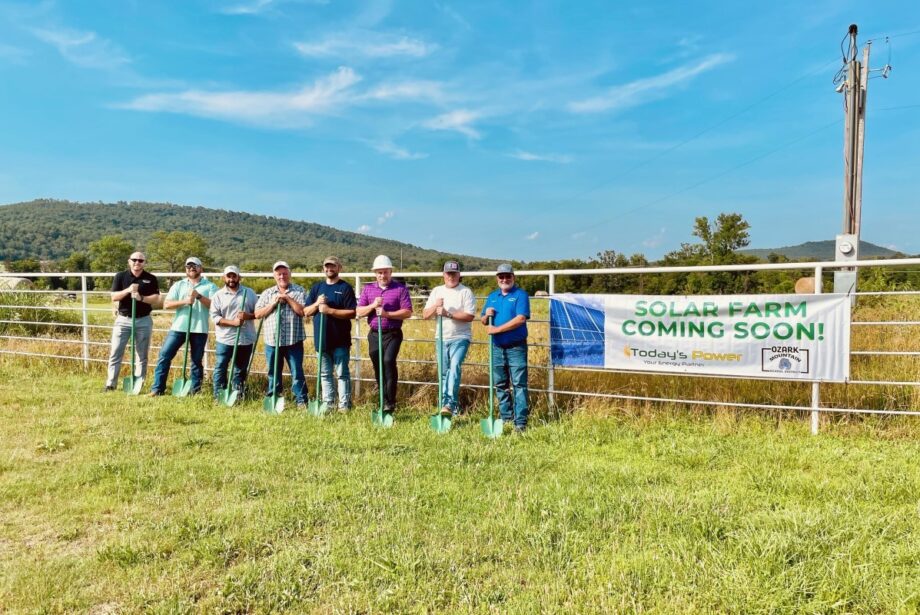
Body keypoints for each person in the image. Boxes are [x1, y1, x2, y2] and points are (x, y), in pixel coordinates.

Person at [149, 257, 217, 396]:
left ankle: (195, 391)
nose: (191, 268)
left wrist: (198, 296)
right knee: (164, 355)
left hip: (199, 328)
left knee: (196, 361)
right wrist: (185, 301)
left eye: (195, 266)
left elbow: (215, 306)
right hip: (179, 327)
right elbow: (166, 304)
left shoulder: (210, 286)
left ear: (201, 269)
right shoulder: (178, 285)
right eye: (188, 266)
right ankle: (157, 389)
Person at [355, 255, 412, 414]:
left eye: (385, 272)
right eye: (379, 272)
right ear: (375, 273)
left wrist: (387, 314)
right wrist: (373, 305)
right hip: (374, 333)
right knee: (378, 365)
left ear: (390, 272)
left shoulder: (400, 289)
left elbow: (407, 312)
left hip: (393, 333)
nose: (382, 275)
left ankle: (391, 401)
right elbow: (359, 311)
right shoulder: (368, 289)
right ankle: (384, 400)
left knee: (388, 361)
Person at [481, 263, 531, 432]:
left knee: (519, 384)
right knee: (500, 384)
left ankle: (520, 422)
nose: (504, 279)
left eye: (507, 276)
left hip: (516, 347)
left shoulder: (520, 295)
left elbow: (520, 319)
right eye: (501, 276)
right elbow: (482, 320)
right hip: (496, 347)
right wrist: (486, 316)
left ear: (513, 277)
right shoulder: (492, 296)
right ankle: (506, 418)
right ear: (497, 279)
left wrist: (497, 329)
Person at [423, 260, 476, 417]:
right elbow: (425, 315)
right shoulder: (437, 291)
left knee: (454, 368)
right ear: (443, 275)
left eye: (454, 273)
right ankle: (448, 405)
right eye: (448, 273)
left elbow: (469, 316)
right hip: (441, 337)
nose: (451, 276)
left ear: (459, 275)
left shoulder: (466, 292)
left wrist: (448, 313)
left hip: (460, 337)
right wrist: (435, 306)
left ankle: (449, 404)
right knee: (444, 372)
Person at [304, 256, 357, 411]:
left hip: (340, 340)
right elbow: (306, 311)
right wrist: (317, 303)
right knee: (325, 374)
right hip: (321, 341)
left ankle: (344, 405)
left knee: (342, 374)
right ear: (323, 269)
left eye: (332, 266)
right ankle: (328, 404)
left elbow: (351, 313)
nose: (329, 269)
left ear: (339, 267)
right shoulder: (316, 288)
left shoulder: (345, 288)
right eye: (327, 266)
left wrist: (329, 310)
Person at [254, 261, 308, 407]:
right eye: (279, 274)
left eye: (284, 273)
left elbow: (303, 312)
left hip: (293, 340)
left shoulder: (299, 291)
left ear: (289, 274)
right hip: (272, 341)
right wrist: (272, 303)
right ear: (274, 275)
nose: (282, 276)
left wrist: (288, 299)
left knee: (297, 372)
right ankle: (273, 398)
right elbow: (258, 314)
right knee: (273, 372)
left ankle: (301, 400)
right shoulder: (267, 293)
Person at [104, 251, 160, 391]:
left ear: (144, 263)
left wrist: (141, 298)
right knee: (116, 352)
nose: (137, 262)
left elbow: (156, 298)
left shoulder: (151, 278)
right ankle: (111, 384)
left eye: (140, 261)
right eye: (134, 260)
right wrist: (128, 291)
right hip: (123, 319)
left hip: (143, 320)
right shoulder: (120, 276)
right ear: (129, 261)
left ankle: (138, 384)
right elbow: (114, 297)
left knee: (141, 354)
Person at [209, 265, 258, 400]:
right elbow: (215, 317)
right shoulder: (218, 295)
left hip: (245, 338)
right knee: (220, 367)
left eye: (234, 276)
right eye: (228, 276)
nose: (231, 279)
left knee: (240, 369)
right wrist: (233, 322)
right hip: (224, 339)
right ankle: (219, 395)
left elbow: (258, 313)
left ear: (239, 277)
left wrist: (247, 316)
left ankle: (237, 395)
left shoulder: (249, 293)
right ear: (224, 278)